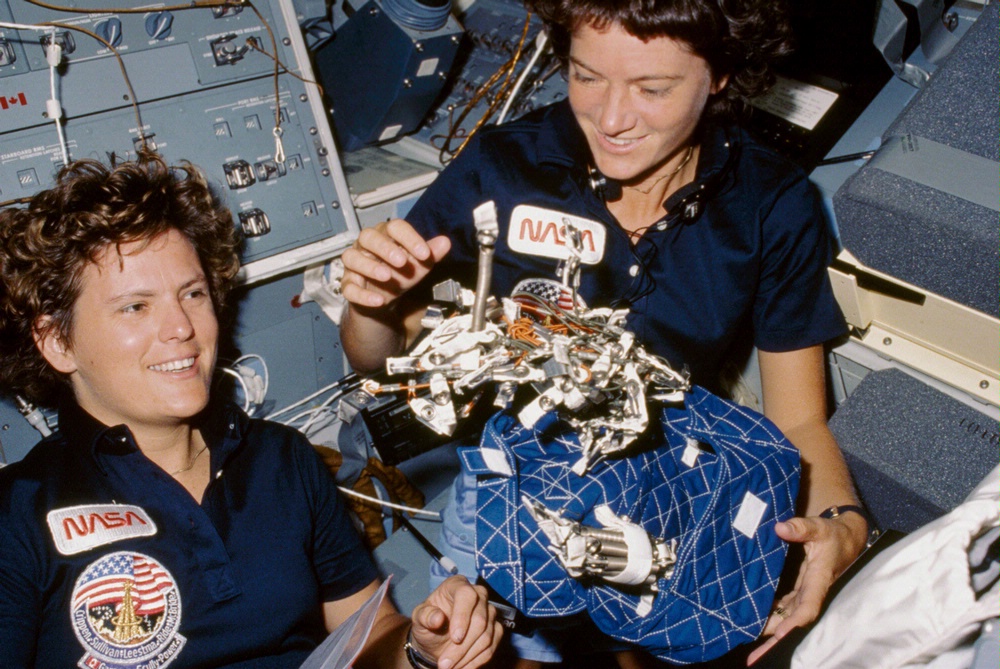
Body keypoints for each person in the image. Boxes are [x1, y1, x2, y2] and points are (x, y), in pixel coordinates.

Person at [338, 0, 871, 664]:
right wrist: (373, 306)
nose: (611, 118)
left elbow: (798, 424)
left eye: (653, 89)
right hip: (515, 510)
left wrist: (844, 527)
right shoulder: (503, 169)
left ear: (723, 75)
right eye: (587, 76)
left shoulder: (774, 204)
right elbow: (378, 362)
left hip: (668, 501)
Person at [0, 152, 502, 669]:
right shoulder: (18, 514)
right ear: (56, 341)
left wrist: (424, 647)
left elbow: (369, 631)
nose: (182, 328)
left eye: (193, 293)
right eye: (136, 306)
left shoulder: (280, 458)